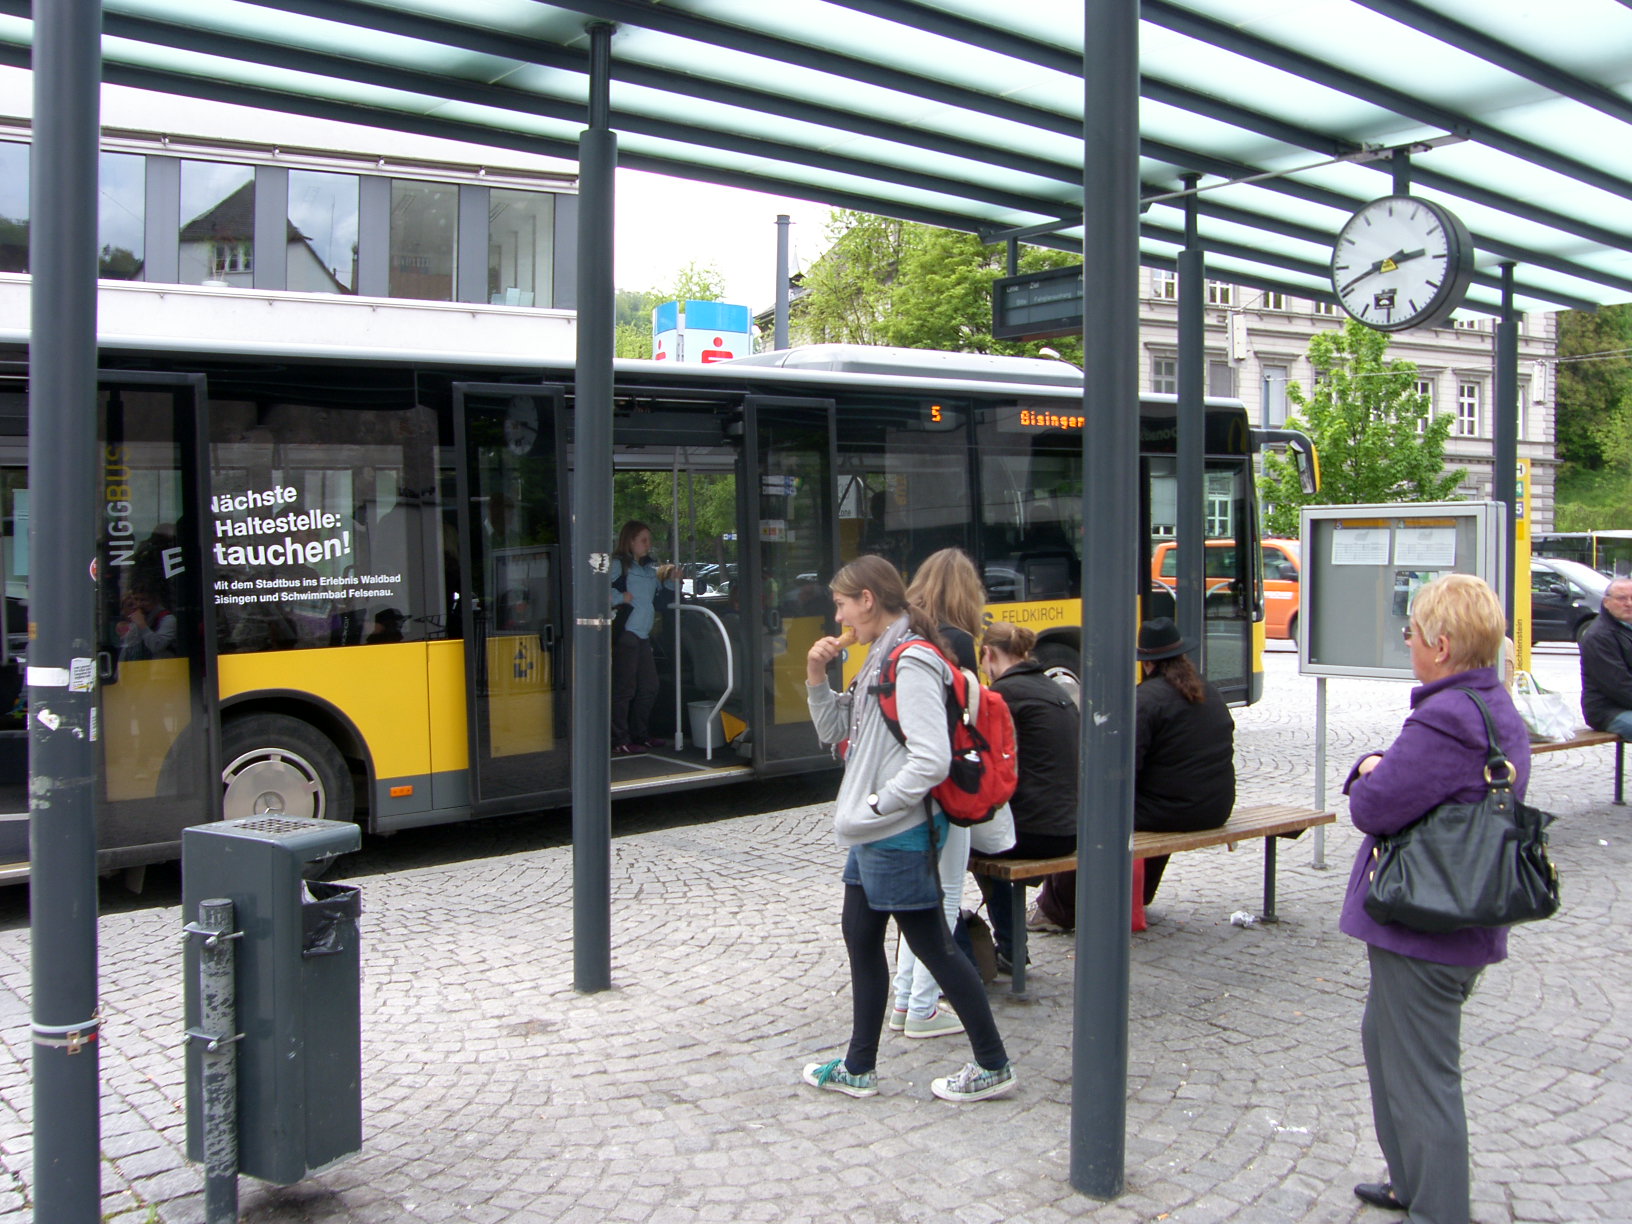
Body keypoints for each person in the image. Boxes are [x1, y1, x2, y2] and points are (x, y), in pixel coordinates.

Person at [1339, 573, 1530, 1224]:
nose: (1409, 643)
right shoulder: (1491, 705)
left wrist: (1368, 767)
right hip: (1458, 917)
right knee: (1385, 1046)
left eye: (1412, 633)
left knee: (1422, 1076)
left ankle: (1438, 1208)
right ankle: (1409, 1181)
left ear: (1441, 645)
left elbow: (1375, 806)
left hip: (1425, 926)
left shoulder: (1447, 718)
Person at [802, 555, 1016, 1103]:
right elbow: (834, 729)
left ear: (868, 600)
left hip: (894, 830)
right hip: (872, 830)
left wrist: (879, 804)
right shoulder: (879, 652)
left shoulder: (911, 658)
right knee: (861, 935)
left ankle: (992, 1063)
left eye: (841, 604)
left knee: (933, 946)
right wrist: (816, 677)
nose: (837, 615)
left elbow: (931, 759)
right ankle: (858, 1067)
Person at [1030, 615, 1235, 927]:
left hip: (1175, 811)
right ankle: (1140, 894)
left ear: (1147, 663)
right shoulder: (1208, 690)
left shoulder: (1146, 699)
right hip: (1216, 807)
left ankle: (1057, 910)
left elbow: (1123, 770)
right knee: (1149, 809)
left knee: (1087, 816)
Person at [887, 548, 985, 1038]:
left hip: (906, 780)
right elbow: (969, 719)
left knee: (919, 903)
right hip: (946, 783)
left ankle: (904, 1000)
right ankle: (923, 1007)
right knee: (944, 897)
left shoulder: (904, 635)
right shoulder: (958, 642)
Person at [973, 620, 1078, 971]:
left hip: (1035, 833)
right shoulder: (1054, 687)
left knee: (962, 844)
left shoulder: (1003, 695)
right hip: (1070, 827)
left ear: (988, 654)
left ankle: (1009, 948)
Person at [608, 520, 676, 755]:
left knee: (649, 686)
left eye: (649, 540)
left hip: (643, 634)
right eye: (643, 540)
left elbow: (660, 602)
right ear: (630, 541)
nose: (648, 544)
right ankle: (620, 738)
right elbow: (597, 590)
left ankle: (640, 734)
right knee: (625, 688)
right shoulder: (618, 566)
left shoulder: (649, 571)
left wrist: (671, 582)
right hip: (627, 633)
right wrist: (620, 598)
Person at [1578, 576, 1632, 739]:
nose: (1629, 603)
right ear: (1606, 602)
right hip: (1608, 710)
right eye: (1622, 598)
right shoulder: (1598, 636)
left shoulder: (1626, 628)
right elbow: (1618, 685)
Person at [116, 581, 179, 660]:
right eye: (136, 599)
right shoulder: (139, 619)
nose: (138, 604)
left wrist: (142, 625)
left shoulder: (168, 620)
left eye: (143, 600)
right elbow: (128, 649)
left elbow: (156, 646)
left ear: (155, 600)